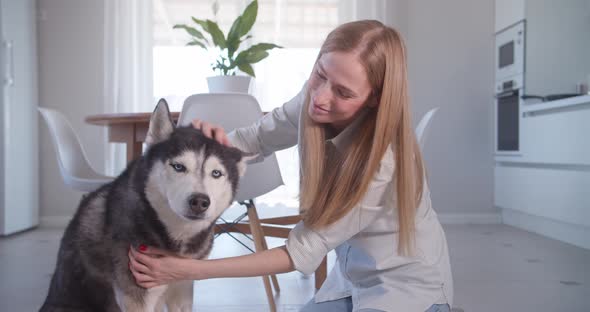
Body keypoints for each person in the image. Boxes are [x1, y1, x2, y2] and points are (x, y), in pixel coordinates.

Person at [128, 20, 453, 312]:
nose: (321, 98)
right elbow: (256, 138)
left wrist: (186, 269)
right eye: (320, 75)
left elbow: (298, 253)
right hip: (350, 281)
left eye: (342, 92)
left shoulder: (384, 161)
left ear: (374, 99)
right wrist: (215, 145)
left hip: (407, 291)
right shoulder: (314, 98)